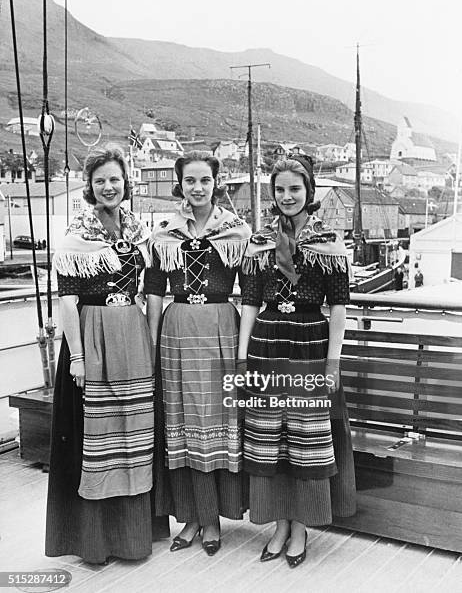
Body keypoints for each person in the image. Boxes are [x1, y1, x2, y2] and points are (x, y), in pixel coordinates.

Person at [45, 144, 169, 564]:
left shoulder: (137, 232)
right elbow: (66, 301)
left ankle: (132, 537)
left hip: (131, 334)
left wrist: (150, 341)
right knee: (95, 438)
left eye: (115, 179)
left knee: (133, 433)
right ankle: (96, 542)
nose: (109, 187)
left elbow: (151, 290)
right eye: (100, 181)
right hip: (91, 337)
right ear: (90, 188)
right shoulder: (76, 235)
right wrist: (77, 356)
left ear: (126, 183)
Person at [239, 157, 356, 569]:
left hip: (309, 342)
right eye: (281, 189)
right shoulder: (258, 243)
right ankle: (279, 523)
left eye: (295, 189)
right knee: (270, 439)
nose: (287, 197)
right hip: (268, 344)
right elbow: (250, 304)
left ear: (310, 192)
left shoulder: (329, 243)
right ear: (273, 193)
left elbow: (338, 309)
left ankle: (301, 525)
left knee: (304, 437)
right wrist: (241, 357)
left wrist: (332, 363)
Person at [145, 151, 251, 556]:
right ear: (180, 184)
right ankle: (191, 515)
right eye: (189, 180)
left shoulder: (237, 232)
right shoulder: (164, 234)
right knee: (183, 419)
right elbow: (154, 291)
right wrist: (152, 343)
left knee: (215, 419)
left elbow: (254, 292)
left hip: (221, 328)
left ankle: (211, 519)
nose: (197, 188)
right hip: (177, 331)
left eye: (204, 180)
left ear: (216, 183)